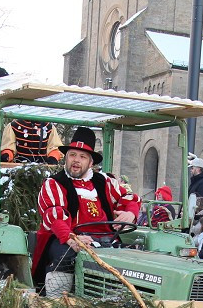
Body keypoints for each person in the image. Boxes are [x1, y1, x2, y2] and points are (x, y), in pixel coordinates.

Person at [32, 126, 140, 296]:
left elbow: (128, 197)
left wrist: (131, 213)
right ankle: (56, 303)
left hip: (106, 239)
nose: (76, 160)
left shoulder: (104, 181)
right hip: (68, 238)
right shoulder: (54, 183)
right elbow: (55, 216)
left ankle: (118, 300)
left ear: (90, 163)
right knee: (65, 256)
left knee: (131, 257)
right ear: (65, 158)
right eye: (72, 155)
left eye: (82, 157)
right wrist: (71, 238)